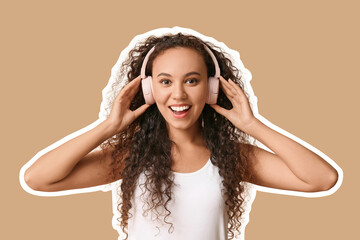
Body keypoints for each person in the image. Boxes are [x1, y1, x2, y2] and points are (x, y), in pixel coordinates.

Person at [21, 27, 341, 240]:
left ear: (212, 88)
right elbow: (38, 179)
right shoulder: (131, 157)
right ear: (148, 90)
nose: (178, 95)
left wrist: (253, 125)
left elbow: (322, 180)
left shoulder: (234, 157)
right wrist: (108, 126)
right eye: (164, 81)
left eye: (191, 80)